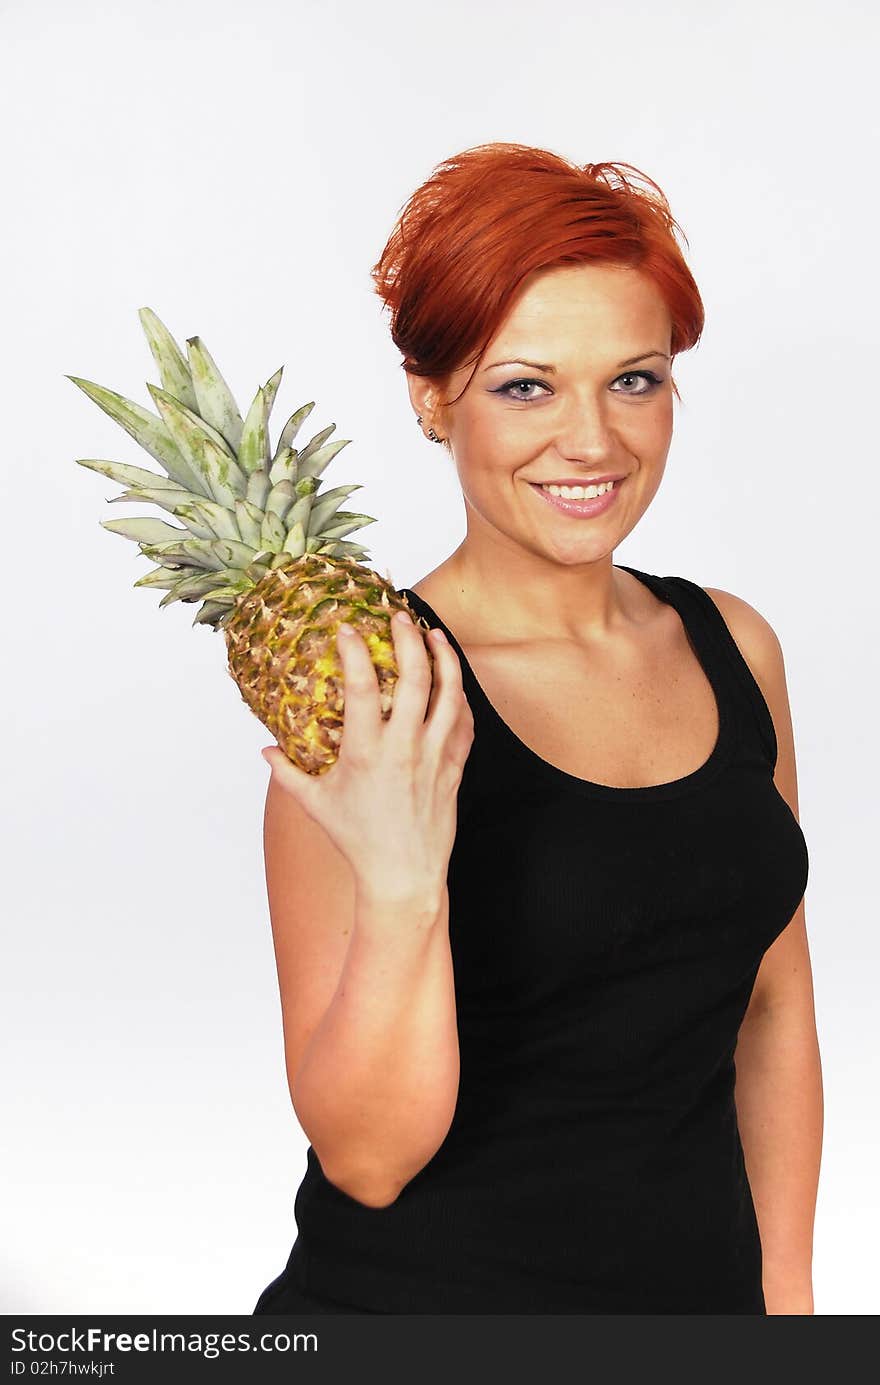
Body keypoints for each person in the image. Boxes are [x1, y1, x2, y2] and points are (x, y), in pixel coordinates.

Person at [252, 142, 822, 1315]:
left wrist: (786, 1288)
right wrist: (405, 883)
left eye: (634, 379)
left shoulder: (732, 645)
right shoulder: (372, 690)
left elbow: (771, 1003)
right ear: (430, 394)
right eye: (525, 385)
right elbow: (369, 1156)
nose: (593, 441)